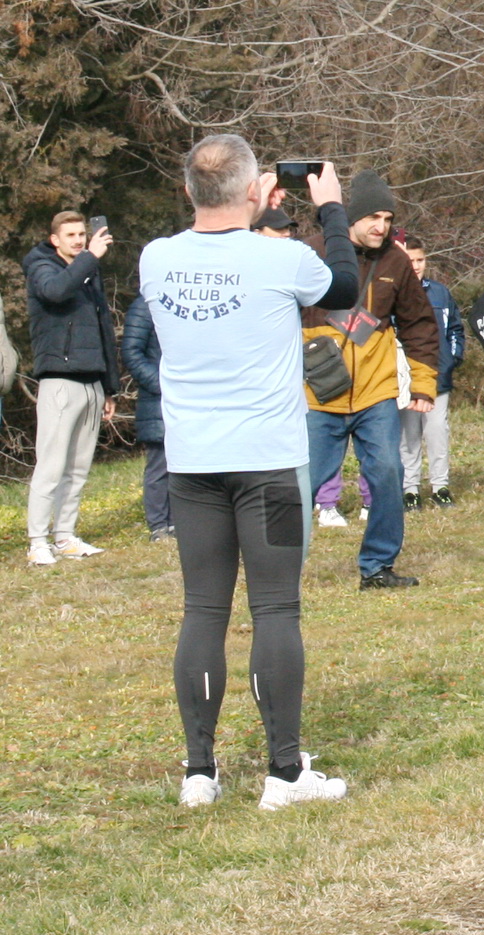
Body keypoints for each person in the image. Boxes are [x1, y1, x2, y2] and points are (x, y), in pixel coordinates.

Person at [140, 138, 360, 810]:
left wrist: (246, 200)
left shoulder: (156, 259)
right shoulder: (282, 257)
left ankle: (199, 771)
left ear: (187, 192)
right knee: (275, 608)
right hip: (267, 459)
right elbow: (345, 287)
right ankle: (284, 772)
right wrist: (331, 209)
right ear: (254, 193)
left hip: (194, 463)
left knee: (203, 609)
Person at [301, 172, 437, 588]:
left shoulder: (396, 261)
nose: (381, 225)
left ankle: (378, 566)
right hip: (318, 396)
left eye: (387, 217)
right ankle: (278, 568)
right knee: (299, 485)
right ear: (350, 217)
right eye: (373, 216)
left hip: (376, 395)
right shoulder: (309, 254)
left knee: (388, 474)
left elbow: (419, 324)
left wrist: (423, 384)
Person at [23, 209, 118, 565]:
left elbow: (103, 329)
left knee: (78, 468)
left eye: (83, 234)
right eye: (72, 236)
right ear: (55, 240)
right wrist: (91, 256)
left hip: (91, 380)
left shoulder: (88, 273)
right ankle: (37, 542)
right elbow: (55, 292)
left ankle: (65, 536)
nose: (80, 240)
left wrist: (110, 386)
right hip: (60, 381)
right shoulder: (42, 267)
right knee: (50, 465)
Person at [398, 238, 463, 509]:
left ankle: (440, 486)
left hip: (438, 377)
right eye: (409, 260)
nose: (415, 266)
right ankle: (410, 489)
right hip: (405, 379)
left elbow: (456, 329)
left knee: (437, 432)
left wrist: (452, 359)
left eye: (420, 260)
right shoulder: (394, 293)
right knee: (408, 436)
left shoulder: (440, 293)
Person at [120, 280, 174, 540]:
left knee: (185, 464)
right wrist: (162, 385)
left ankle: (178, 521)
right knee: (159, 465)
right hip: (158, 399)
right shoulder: (144, 306)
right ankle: (158, 525)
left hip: (185, 396)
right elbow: (132, 353)